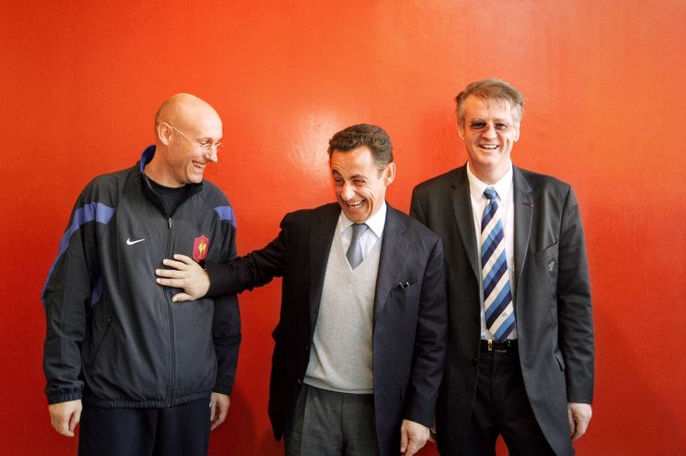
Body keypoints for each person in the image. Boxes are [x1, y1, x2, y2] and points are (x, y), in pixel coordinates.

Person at [156, 124, 447, 456]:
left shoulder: (424, 246)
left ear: (388, 173)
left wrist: (420, 413)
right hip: (309, 401)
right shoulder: (305, 228)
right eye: (338, 179)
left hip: (381, 409)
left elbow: (432, 341)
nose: (346, 193)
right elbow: (253, 268)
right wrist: (207, 280)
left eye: (359, 181)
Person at [41, 93, 241, 456]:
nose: (213, 156)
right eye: (204, 143)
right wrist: (63, 386)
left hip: (191, 401)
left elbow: (224, 299)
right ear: (166, 134)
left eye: (218, 144)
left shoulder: (217, 206)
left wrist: (222, 382)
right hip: (115, 399)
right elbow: (66, 296)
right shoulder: (103, 196)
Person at [410, 79, 594, 456]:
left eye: (501, 124)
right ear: (461, 128)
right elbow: (422, 309)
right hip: (460, 380)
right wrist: (422, 399)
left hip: (535, 378)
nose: (489, 134)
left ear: (517, 130)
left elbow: (574, 300)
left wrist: (579, 391)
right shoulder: (428, 199)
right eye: (478, 123)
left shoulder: (555, 198)